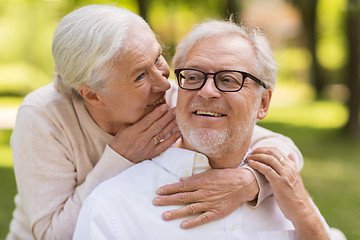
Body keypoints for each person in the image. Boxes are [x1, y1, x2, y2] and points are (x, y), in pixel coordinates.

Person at [7, 5, 304, 240]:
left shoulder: (169, 96)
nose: (163, 82)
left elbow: (281, 146)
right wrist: (120, 158)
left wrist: (250, 180)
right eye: (139, 75)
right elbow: (52, 235)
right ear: (93, 95)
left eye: (158, 59)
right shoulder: (44, 116)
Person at [73, 20, 336, 240]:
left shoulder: (287, 193)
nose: (207, 91)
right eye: (194, 77)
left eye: (228, 79)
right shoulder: (113, 208)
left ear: (263, 103)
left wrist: (304, 214)